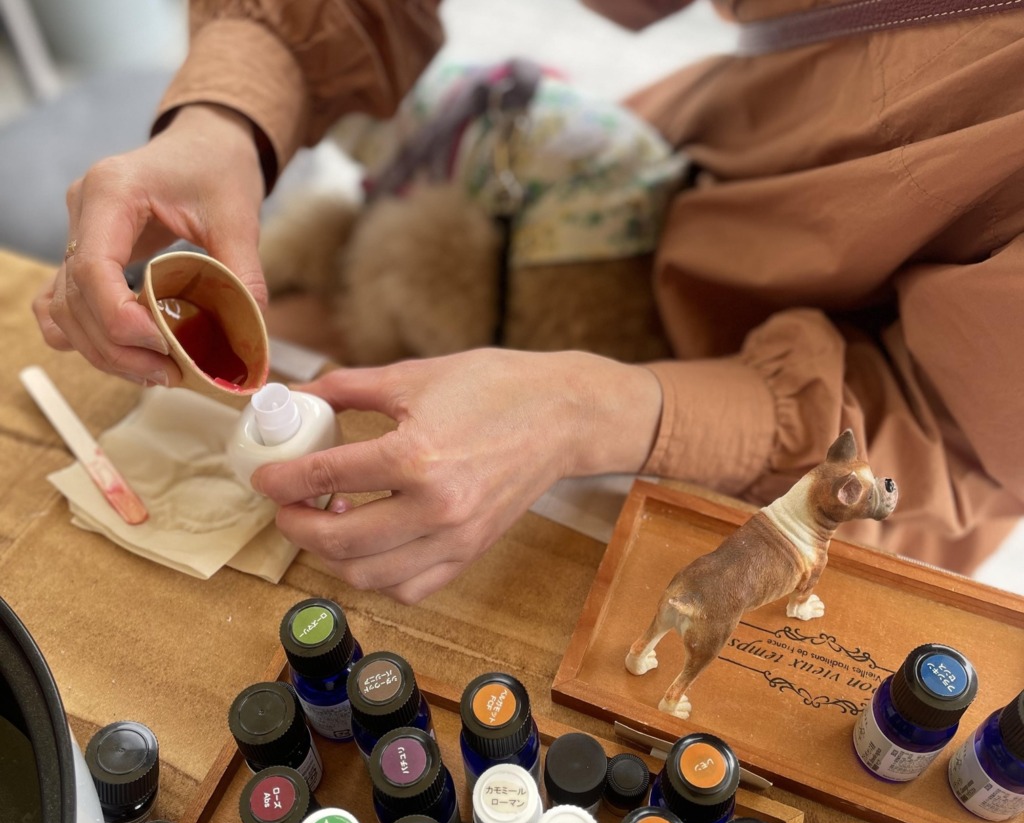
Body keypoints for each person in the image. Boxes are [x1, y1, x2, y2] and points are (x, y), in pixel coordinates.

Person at [35, 0, 1024, 604]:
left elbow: (938, 440)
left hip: (818, 479)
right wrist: (229, 114)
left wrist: (586, 410)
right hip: (657, 201)